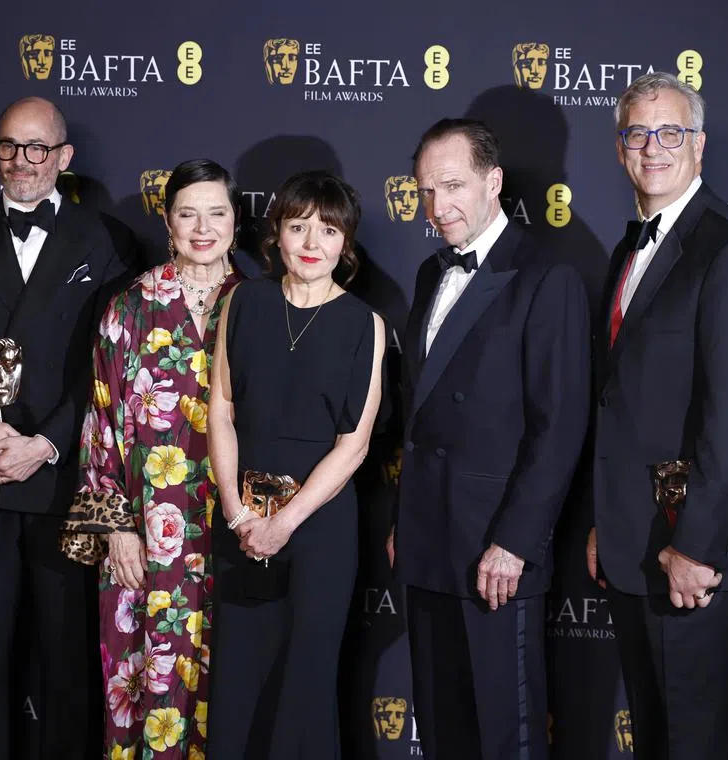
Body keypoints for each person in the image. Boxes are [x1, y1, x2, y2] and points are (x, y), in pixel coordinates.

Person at [0, 96, 134, 760]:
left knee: (68, 654)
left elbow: (110, 364)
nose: (22, 160)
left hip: (62, 481)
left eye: (37, 147)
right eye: (9, 146)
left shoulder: (105, 240)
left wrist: (46, 443)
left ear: (63, 157)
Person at [586, 72, 728, 760]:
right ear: (619, 148)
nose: (653, 148)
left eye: (671, 133)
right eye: (638, 133)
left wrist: (696, 549)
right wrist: (606, 521)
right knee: (657, 740)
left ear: (699, 146)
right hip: (636, 545)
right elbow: (624, 402)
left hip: (696, 558)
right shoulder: (629, 250)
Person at [387, 118, 590, 760]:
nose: (437, 206)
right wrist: (404, 519)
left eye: (453, 186)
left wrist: (514, 543)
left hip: (493, 550)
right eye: (426, 190)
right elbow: (420, 416)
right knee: (442, 729)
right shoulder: (430, 273)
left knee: (505, 735)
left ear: (493, 182)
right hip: (427, 541)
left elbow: (559, 425)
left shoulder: (546, 276)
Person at [60, 158, 242, 759]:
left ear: (235, 220)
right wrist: (116, 529)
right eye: (188, 214)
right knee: (143, 688)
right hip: (144, 538)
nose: (202, 229)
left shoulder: (260, 305)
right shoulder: (130, 307)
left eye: (216, 213)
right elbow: (101, 425)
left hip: (232, 532)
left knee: (228, 686)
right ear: (167, 222)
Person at [206, 170, 386, 758]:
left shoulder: (364, 324)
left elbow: (354, 445)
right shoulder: (243, 302)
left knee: (303, 681)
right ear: (276, 233)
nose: (312, 243)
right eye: (298, 226)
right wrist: (237, 514)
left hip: (317, 529)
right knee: (239, 677)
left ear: (346, 243)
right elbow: (221, 411)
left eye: (328, 230)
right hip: (241, 522)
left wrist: (284, 522)